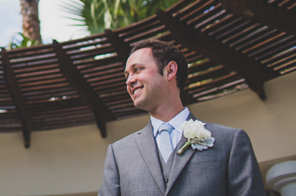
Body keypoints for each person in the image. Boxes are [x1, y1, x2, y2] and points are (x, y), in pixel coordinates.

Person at [98, 38, 264, 196]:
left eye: (137, 70)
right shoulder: (118, 153)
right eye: (126, 75)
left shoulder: (230, 141)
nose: (129, 81)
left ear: (170, 70)